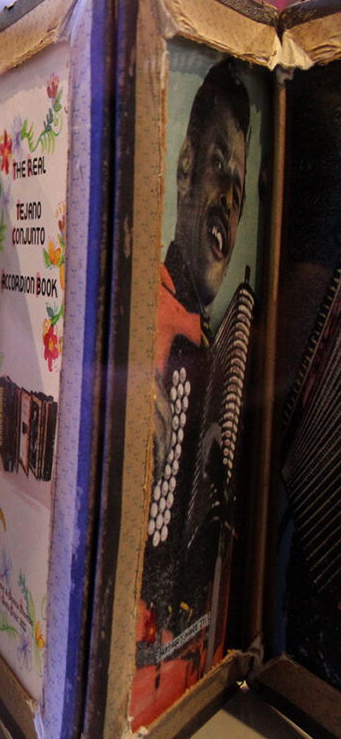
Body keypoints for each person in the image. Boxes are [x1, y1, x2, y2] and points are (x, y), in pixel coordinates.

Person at [134, 59, 250, 722]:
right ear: (183, 169)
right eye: (218, 173)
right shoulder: (133, 311)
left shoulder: (211, 349)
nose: (226, 211)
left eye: (240, 192)